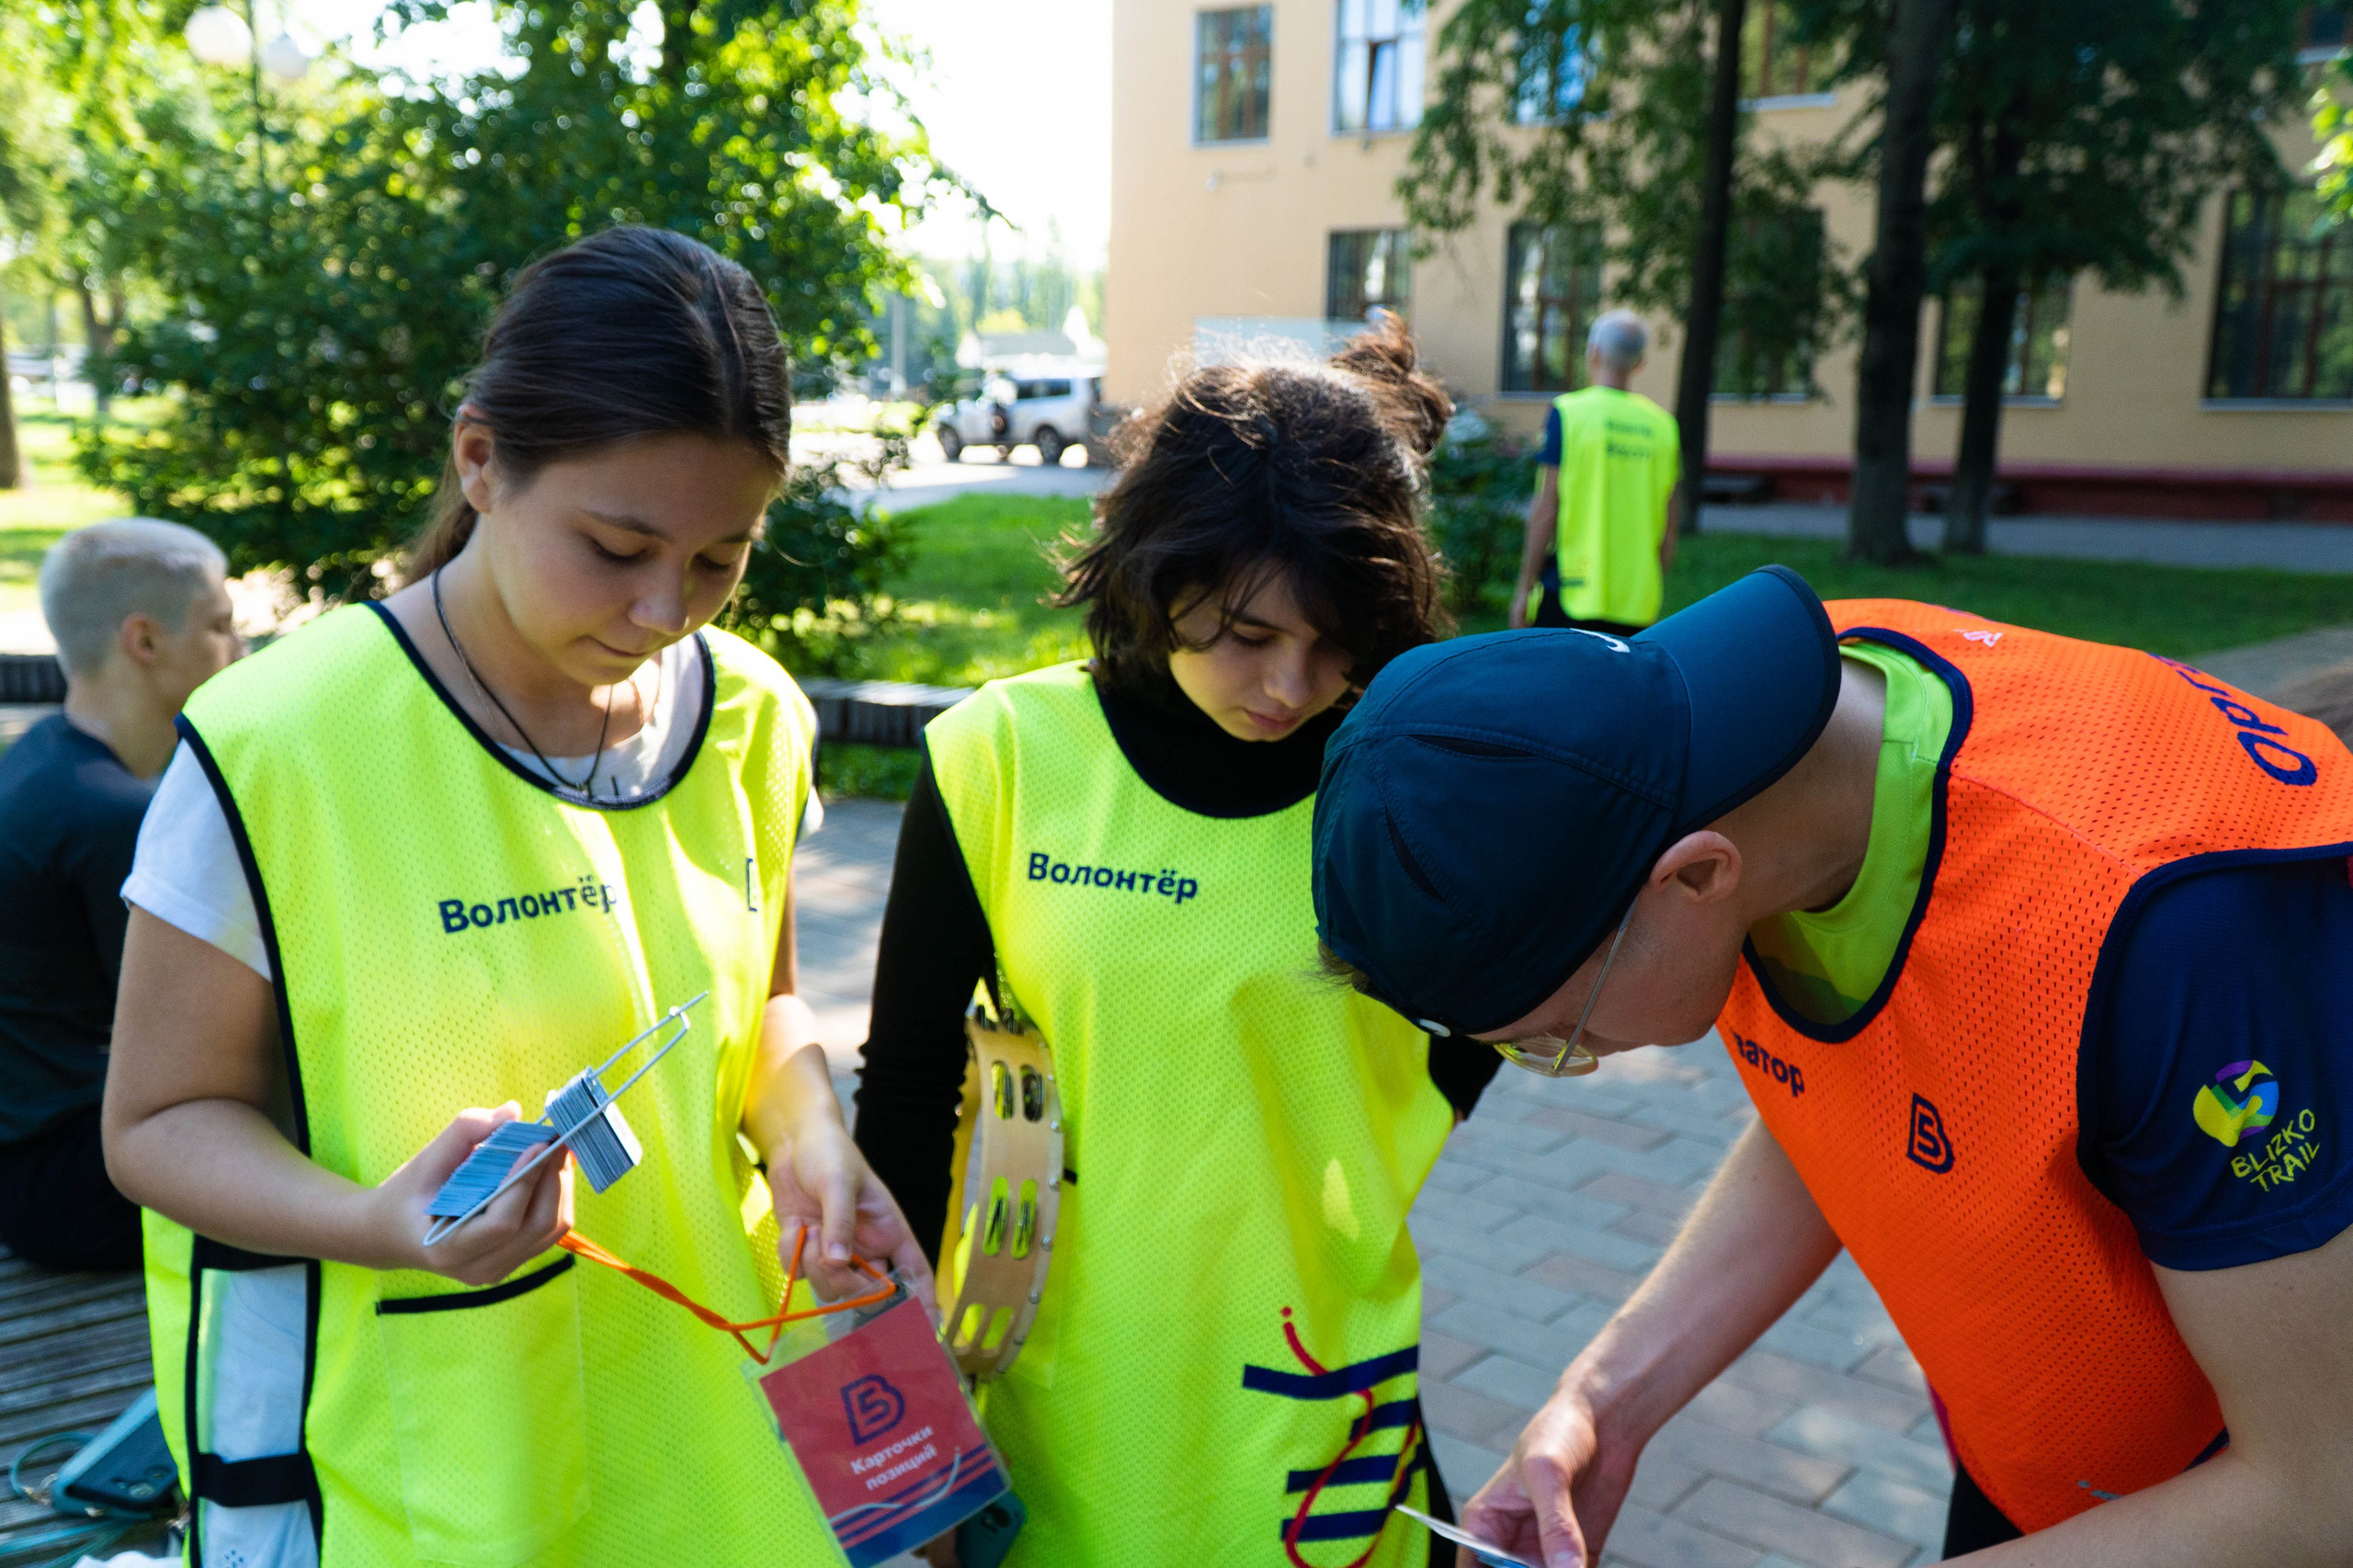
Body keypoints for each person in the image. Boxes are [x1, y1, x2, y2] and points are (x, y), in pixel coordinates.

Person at [101, 227, 927, 1568]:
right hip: (433, 1474)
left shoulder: (755, 715)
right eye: (616, 546)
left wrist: (810, 1138)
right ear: (480, 462)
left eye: (723, 557)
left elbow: (761, 1013)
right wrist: (378, 1223)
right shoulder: (278, 744)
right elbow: (155, 1122)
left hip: (735, 1445)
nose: (668, 606)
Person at [1312, 568, 2353, 1566]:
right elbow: (1849, 1093)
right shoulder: (1731, 752)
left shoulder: (2171, 938)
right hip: (2046, 1473)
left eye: (1554, 1033)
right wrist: (1604, 1400)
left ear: (1696, 876)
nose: (1561, 1053)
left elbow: (2313, 1497)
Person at [853, 319, 1501, 1566]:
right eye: (1251, 634)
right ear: (1160, 568)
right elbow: (907, 1098)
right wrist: (905, 1447)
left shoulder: (1401, 786)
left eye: (1336, 641)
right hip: (1054, 1391)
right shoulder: (998, 757)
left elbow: (1511, 1020)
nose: (1291, 683)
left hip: (1315, 1390)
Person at [0, 519, 238, 1271]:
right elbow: (211, 1043)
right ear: (145, 641)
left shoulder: (40, 756)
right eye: (221, 626)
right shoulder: (110, 818)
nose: (238, 651)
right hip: (68, 1187)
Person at [1506, 311, 1680, 635]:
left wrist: (1524, 589)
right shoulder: (1663, 427)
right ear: (1639, 363)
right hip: (1637, 601)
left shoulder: (1569, 413)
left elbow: (1546, 511)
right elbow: (1670, 527)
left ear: (1593, 353)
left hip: (1571, 592)